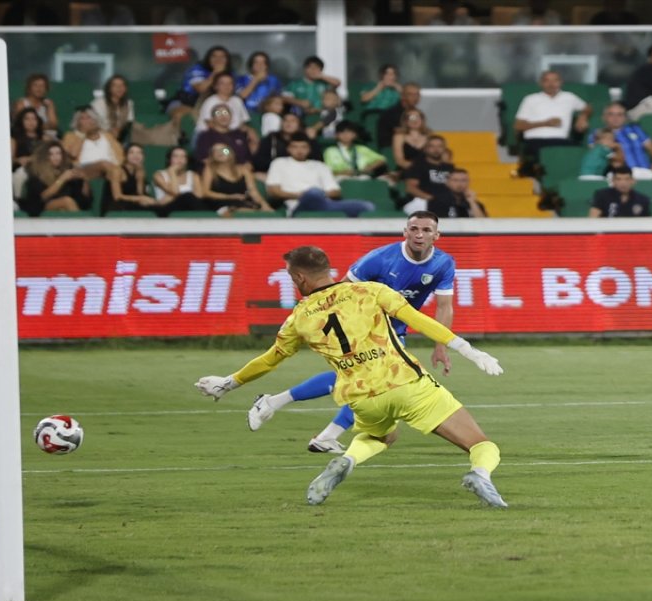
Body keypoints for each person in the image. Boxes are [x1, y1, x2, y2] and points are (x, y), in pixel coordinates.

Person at [195, 244, 509, 508]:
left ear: (300, 278)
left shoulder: (299, 318)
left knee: (380, 436)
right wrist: (471, 351)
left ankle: (349, 460)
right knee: (481, 445)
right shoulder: (370, 291)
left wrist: (229, 382)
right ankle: (480, 475)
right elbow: (420, 321)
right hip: (407, 384)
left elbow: (269, 361)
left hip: (361, 398)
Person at [243, 214, 460, 450]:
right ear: (405, 232)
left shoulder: (443, 263)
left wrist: (441, 346)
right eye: (414, 229)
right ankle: (317, 429)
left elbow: (444, 305)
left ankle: (279, 406)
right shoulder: (378, 259)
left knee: (363, 381)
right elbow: (340, 290)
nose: (420, 234)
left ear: (436, 235)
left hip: (394, 332)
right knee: (369, 382)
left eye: (426, 230)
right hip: (366, 330)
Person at [266, 135, 374, 217]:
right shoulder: (279, 163)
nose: (299, 151)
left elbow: (335, 191)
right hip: (298, 206)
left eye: (304, 147)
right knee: (313, 192)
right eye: (295, 147)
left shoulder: (320, 165)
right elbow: (274, 191)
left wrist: (319, 195)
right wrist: (301, 195)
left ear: (309, 149)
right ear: (288, 149)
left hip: (324, 202)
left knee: (366, 206)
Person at [514, 71, 590, 163]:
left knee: (579, 155)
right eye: (547, 81)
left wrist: (583, 117)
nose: (551, 84)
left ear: (561, 82)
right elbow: (518, 125)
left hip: (561, 141)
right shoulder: (530, 99)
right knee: (546, 159)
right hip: (536, 140)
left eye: (555, 81)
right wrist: (546, 123)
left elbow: (587, 108)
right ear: (540, 83)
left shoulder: (569, 97)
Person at [589, 103, 652, 179]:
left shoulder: (636, 129)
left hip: (645, 171)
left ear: (625, 118)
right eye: (611, 114)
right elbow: (597, 156)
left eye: (620, 115)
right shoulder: (598, 133)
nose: (615, 118)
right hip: (619, 174)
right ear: (604, 117)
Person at [21, 141, 91, 215]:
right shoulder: (37, 172)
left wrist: (84, 179)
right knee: (66, 201)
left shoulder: (68, 169)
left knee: (64, 208)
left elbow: (83, 200)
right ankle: (80, 225)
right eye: (51, 154)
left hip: (64, 206)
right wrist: (62, 179)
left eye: (58, 153)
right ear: (45, 156)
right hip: (42, 206)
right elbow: (42, 197)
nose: (56, 157)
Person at [202, 143, 272, 215]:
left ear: (230, 152)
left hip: (243, 203)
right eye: (215, 151)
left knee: (257, 209)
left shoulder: (244, 170)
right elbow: (206, 192)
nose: (220, 152)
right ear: (212, 156)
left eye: (224, 150)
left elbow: (253, 191)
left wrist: (264, 205)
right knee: (242, 211)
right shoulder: (210, 170)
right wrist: (229, 197)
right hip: (221, 204)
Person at [170, 45, 232, 120]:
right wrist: (215, 73)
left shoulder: (231, 73)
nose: (218, 60)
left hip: (213, 106)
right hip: (184, 103)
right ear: (208, 59)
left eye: (222, 57)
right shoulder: (197, 69)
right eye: (214, 56)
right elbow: (201, 89)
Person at [60, 107, 123, 179]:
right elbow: (73, 154)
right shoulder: (70, 136)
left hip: (109, 168)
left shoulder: (106, 135)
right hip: (84, 169)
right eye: (82, 118)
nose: (86, 121)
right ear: (77, 122)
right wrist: (83, 134)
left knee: (118, 171)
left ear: (95, 120)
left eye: (89, 117)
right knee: (105, 165)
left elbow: (119, 155)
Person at [402, 135, 456, 208]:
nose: (436, 149)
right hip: (423, 202)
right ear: (425, 149)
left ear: (444, 149)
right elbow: (410, 188)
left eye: (439, 146)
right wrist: (431, 199)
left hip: (446, 202)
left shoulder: (449, 167)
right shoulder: (417, 166)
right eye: (432, 146)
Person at [195, 104, 255, 168]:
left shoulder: (239, 134)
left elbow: (247, 158)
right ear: (213, 118)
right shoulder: (205, 137)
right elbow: (204, 159)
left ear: (231, 116)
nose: (223, 116)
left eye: (225, 113)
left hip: (242, 171)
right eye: (218, 113)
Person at [102, 144, 157, 213]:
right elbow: (117, 197)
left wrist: (140, 179)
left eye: (139, 153)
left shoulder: (140, 171)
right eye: (131, 152)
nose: (136, 155)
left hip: (132, 203)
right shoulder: (117, 171)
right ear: (125, 156)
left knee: (156, 207)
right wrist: (139, 198)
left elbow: (139, 193)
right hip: (115, 205)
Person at [153, 146, 206, 216]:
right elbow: (175, 191)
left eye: (183, 157)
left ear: (186, 160)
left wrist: (171, 196)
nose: (179, 159)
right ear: (169, 159)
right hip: (166, 209)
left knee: (189, 197)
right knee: (188, 196)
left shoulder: (193, 175)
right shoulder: (159, 175)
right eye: (175, 156)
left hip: (190, 208)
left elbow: (199, 196)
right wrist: (172, 172)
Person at [90, 75, 133, 141]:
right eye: (115, 86)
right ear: (109, 88)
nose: (119, 88)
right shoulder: (99, 103)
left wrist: (118, 130)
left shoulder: (128, 103)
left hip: (120, 137)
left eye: (122, 85)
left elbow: (128, 123)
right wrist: (110, 132)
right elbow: (94, 124)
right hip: (100, 136)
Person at [378, 83, 420, 149]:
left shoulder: (416, 113)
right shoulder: (390, 114)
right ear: (402, 96)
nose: (415, 97)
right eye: (410, 94)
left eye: (417, 94)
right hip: (393, 148)